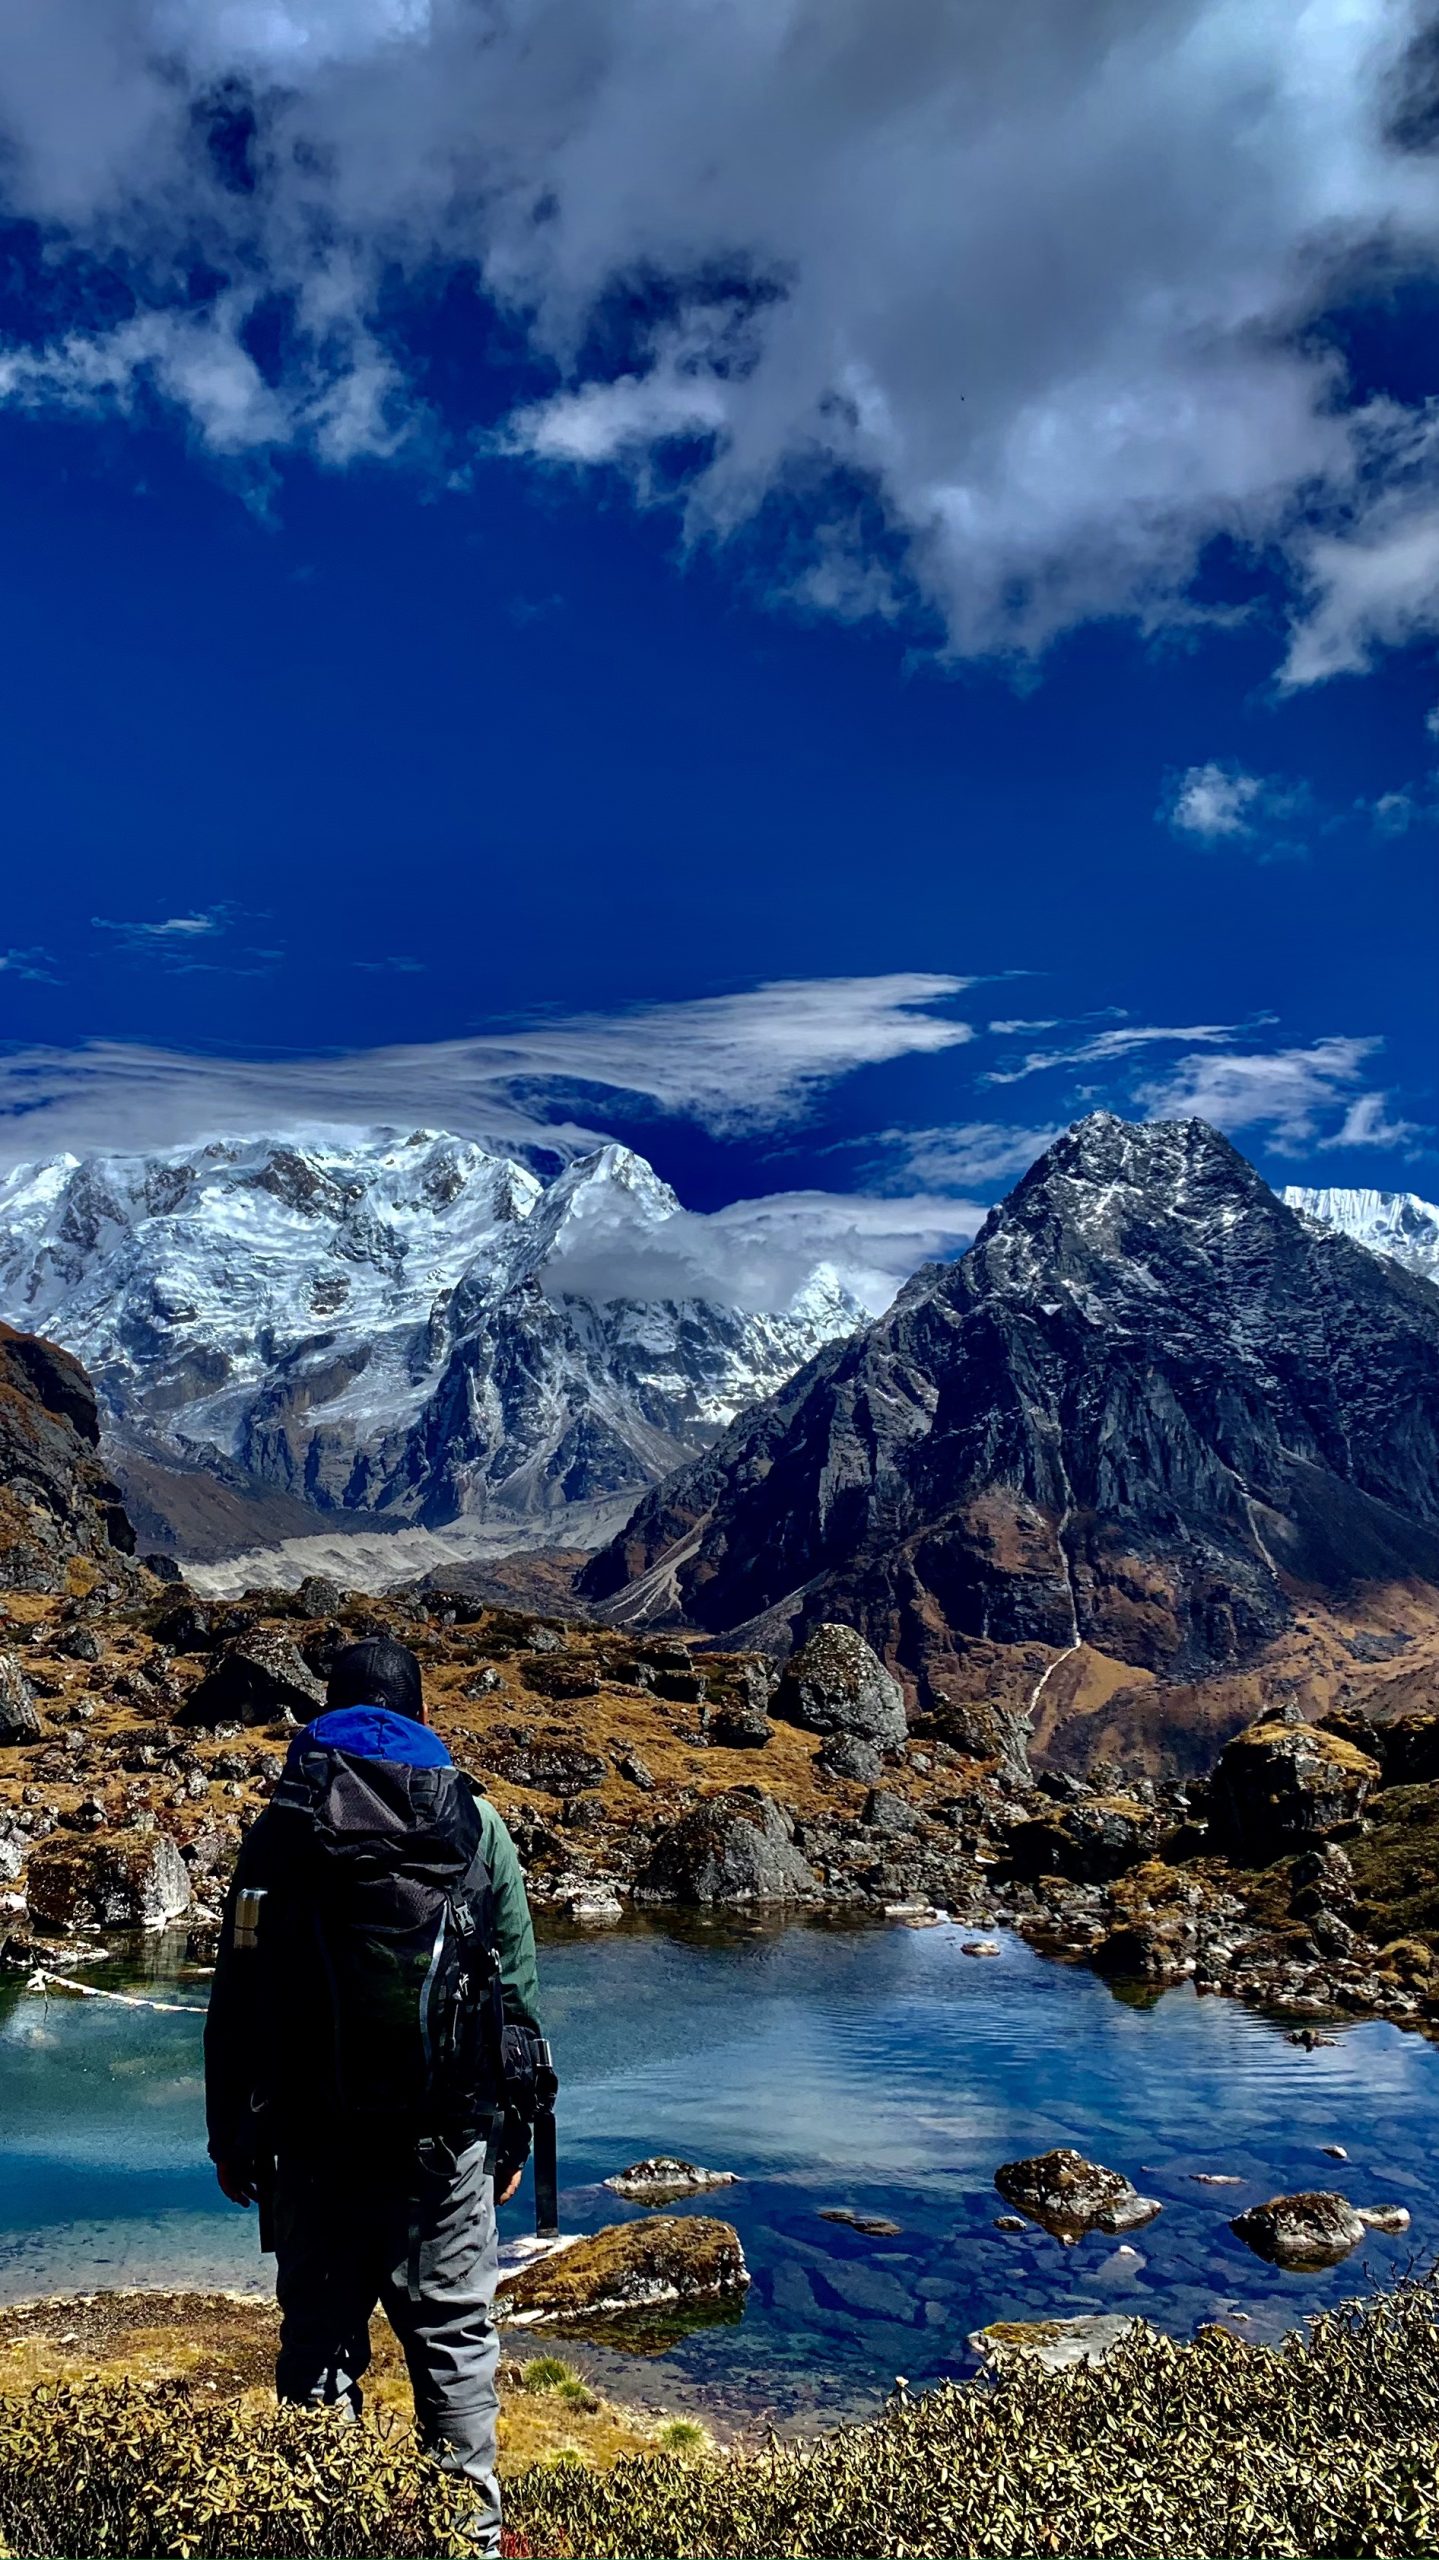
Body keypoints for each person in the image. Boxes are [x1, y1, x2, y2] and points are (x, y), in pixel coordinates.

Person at [204, 1633, 547, 2556]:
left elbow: (237, 1994)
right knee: (454, 2345)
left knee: (318, 2346)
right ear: (421, 1713)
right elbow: (514, 1996)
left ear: (328, 1712)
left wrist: (229, 2133)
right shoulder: (477, 1824)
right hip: (445, 2145)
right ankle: (467, 2540)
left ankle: (326, 2535)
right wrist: (510, 2135)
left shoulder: (280, 1827)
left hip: (311, 2144)